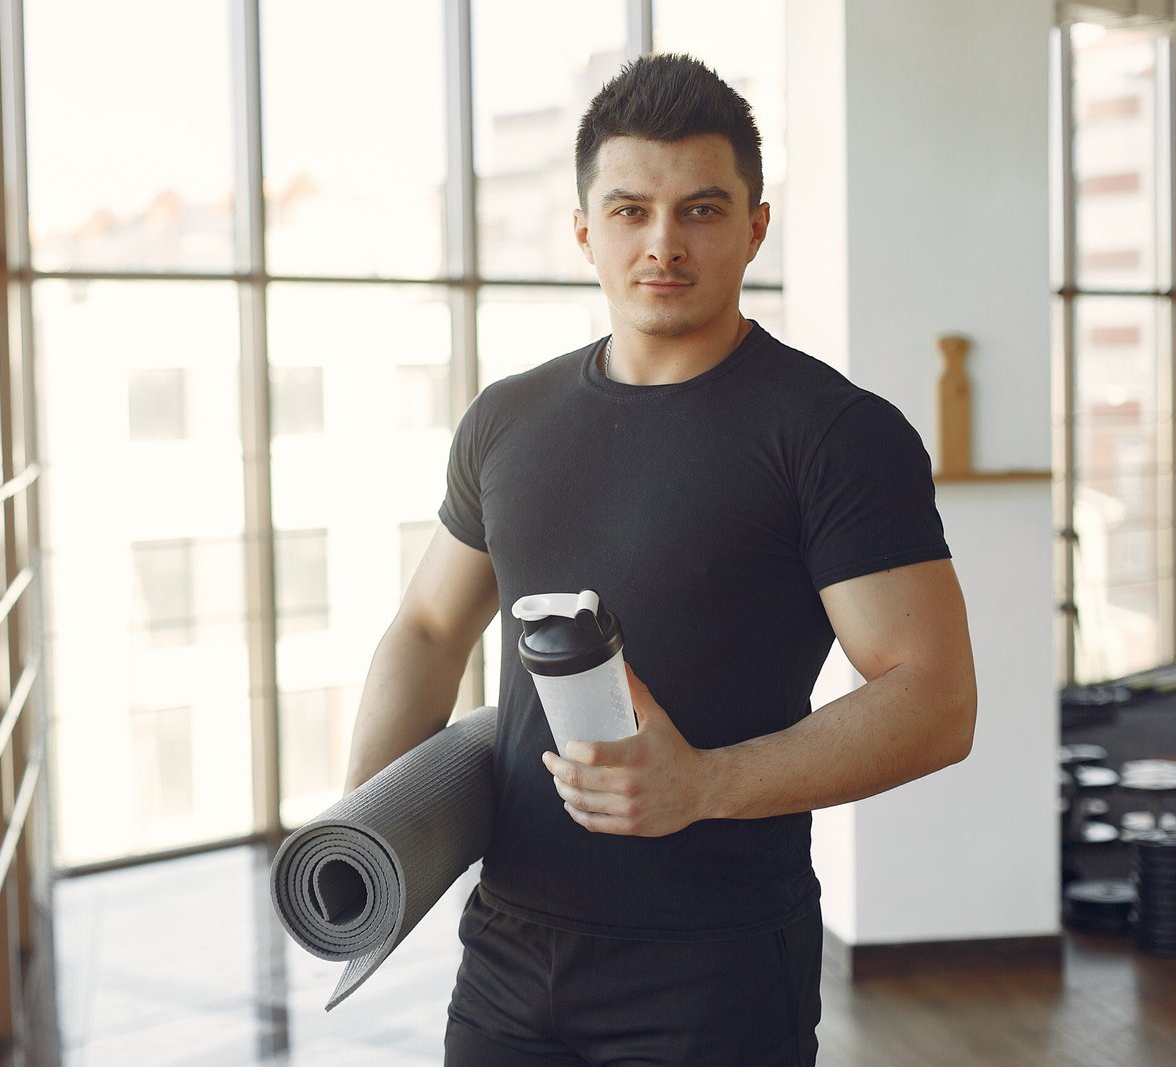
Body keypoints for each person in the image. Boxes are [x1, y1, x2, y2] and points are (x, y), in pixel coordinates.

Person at [342, 53, 977, 1067]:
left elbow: (936, 698)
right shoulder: (507, 418)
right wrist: (366, 828)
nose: (663, 244)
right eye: (631, 210)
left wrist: (701, 784)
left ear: (755, 227)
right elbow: (427, 626)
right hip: (508, 952)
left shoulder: (833, 434)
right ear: (586, 229)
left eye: (702, 210)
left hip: (715, 968)